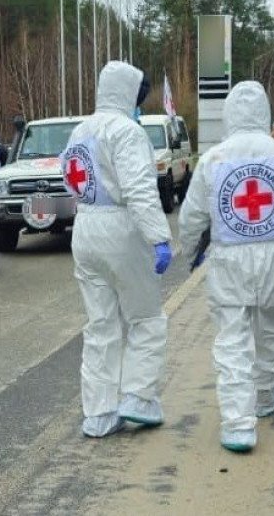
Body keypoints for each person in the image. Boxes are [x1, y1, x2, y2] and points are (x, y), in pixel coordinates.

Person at [178, 81, 274, 453]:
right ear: (265, 114)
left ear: (230, 114)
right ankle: (265, 398)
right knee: (273, 331)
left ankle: (238, 424)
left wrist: (191, 252)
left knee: (232, 340)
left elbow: (191, 217)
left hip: (229, 260)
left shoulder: (214, 159)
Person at [61, 61, 174, 438]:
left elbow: (70, 176)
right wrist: (158, 237)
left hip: (85, 228)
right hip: (121, 229)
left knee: (100, 325)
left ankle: (99, 412)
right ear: (129, 93)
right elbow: (140, 189)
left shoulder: (79, 130)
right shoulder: (127, 132)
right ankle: (138, 398)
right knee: (145, 318)